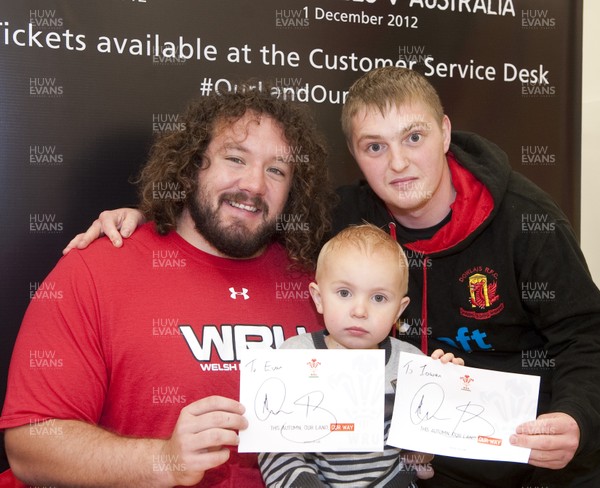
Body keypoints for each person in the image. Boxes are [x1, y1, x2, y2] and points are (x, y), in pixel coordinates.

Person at [61, 67, 600, 487]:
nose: (398, 164)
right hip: (418, 469)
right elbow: (245, 213)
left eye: (413, 137)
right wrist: (146, 218)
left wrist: (575, 419)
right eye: (374, 147)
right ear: (356, 156)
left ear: (444, 132)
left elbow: (587, 334)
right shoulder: (341, 217)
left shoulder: (528, 221)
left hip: (528, 461)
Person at [0, 87, 334, 487]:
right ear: (192, 166)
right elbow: (30, 444)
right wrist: (164, 461)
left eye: (277, 170)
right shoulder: (97, 268)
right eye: (235, 158)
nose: (255, 185)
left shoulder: (320, 288)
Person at [258, 223, 464, 488]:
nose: (359, 310)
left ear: (398, 311)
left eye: (378, 298)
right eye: (344, 293)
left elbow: (421, 457)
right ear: (318, 298)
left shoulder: (412, 364)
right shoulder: (294, 356)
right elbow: (274, 447)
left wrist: (446, 393)